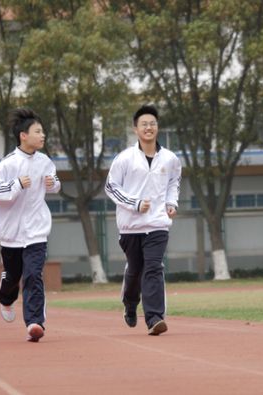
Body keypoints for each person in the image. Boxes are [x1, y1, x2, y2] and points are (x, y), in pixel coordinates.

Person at [0, 107, 61, 342]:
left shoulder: (45, 161)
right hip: (11, 235)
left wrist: (52, 183)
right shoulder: (8, 164)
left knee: (33, 275)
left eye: (43, 131)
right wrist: (16, 184)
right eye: (38, 131)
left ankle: (35, 322)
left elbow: (56, 184)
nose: (43, 135)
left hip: (36, 232)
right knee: (12, 277)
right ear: (23, 135)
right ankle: (5, 298)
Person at [105, 105, 182, 336]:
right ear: (135, 129)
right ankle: (130, 303)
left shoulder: (170, 159)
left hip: (158, 224)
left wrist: (171, 203)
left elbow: (174, 183)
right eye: (144, 124)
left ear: (157, 127)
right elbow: (111, 187)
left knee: (154, 268)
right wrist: (134, 203)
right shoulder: (124, 159)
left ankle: (154, 318)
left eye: (153, 124)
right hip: (130, 226)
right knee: (135, 271)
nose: (149, 128)